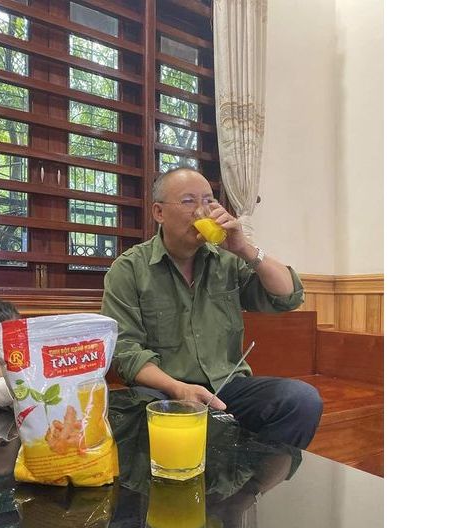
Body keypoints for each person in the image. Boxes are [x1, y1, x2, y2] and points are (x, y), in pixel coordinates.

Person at [100, 167, 322, 449]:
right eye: (188, 201)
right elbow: (125, 351)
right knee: (126, 414)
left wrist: (244, 248)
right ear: (159, 212)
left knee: (301, 400)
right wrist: (178, 388)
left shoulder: (228, 261)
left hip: (226, 387)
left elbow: (288, 296)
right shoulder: (129, 269)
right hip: (163, 391)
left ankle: (250, 477)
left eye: (208, 201)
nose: (200, 211)